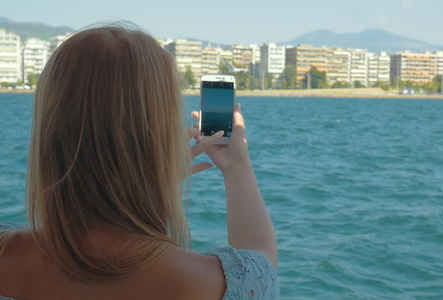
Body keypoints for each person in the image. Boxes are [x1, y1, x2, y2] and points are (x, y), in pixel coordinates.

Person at [0, 23, 278, 299]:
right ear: (162, 139)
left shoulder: (7, 253)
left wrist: (145, 171)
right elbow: (262, 261)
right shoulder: (212, 284)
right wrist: (235, 165)